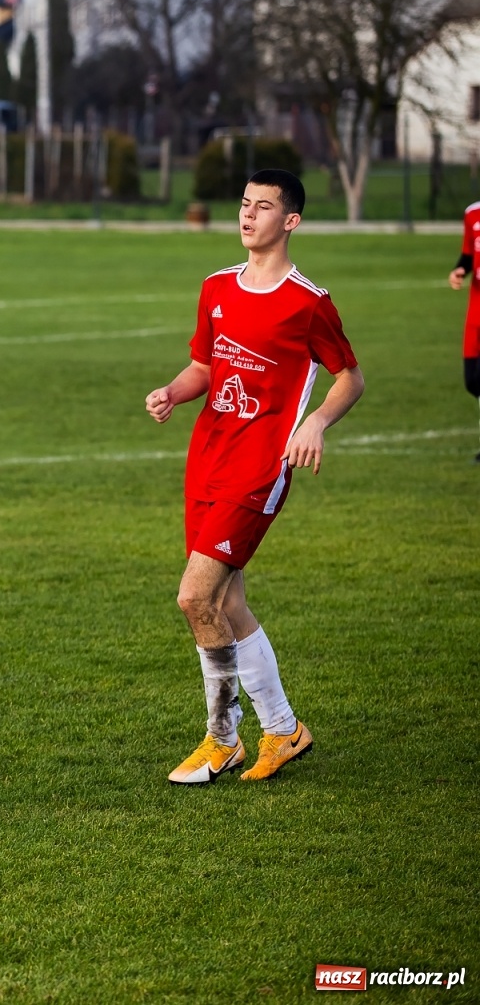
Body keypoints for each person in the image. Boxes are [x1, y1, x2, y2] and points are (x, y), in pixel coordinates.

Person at [144, 169, 363, 785]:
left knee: (195, 597)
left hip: (260, 469)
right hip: (207, 459)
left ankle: (221, 739)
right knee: (228, 602)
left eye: (263, 207)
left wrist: (315, 422)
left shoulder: (307, 302)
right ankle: (285, 730)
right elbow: (204, 366)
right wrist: (172, 391)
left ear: (289, 221)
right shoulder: (215, 287)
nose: (248, 215)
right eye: (243, 204)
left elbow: (351, 377)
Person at [445, 198, 480, 461]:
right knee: (473, 380)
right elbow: (469, 253)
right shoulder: (472, 214)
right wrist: (460, 269)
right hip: (475, 309)